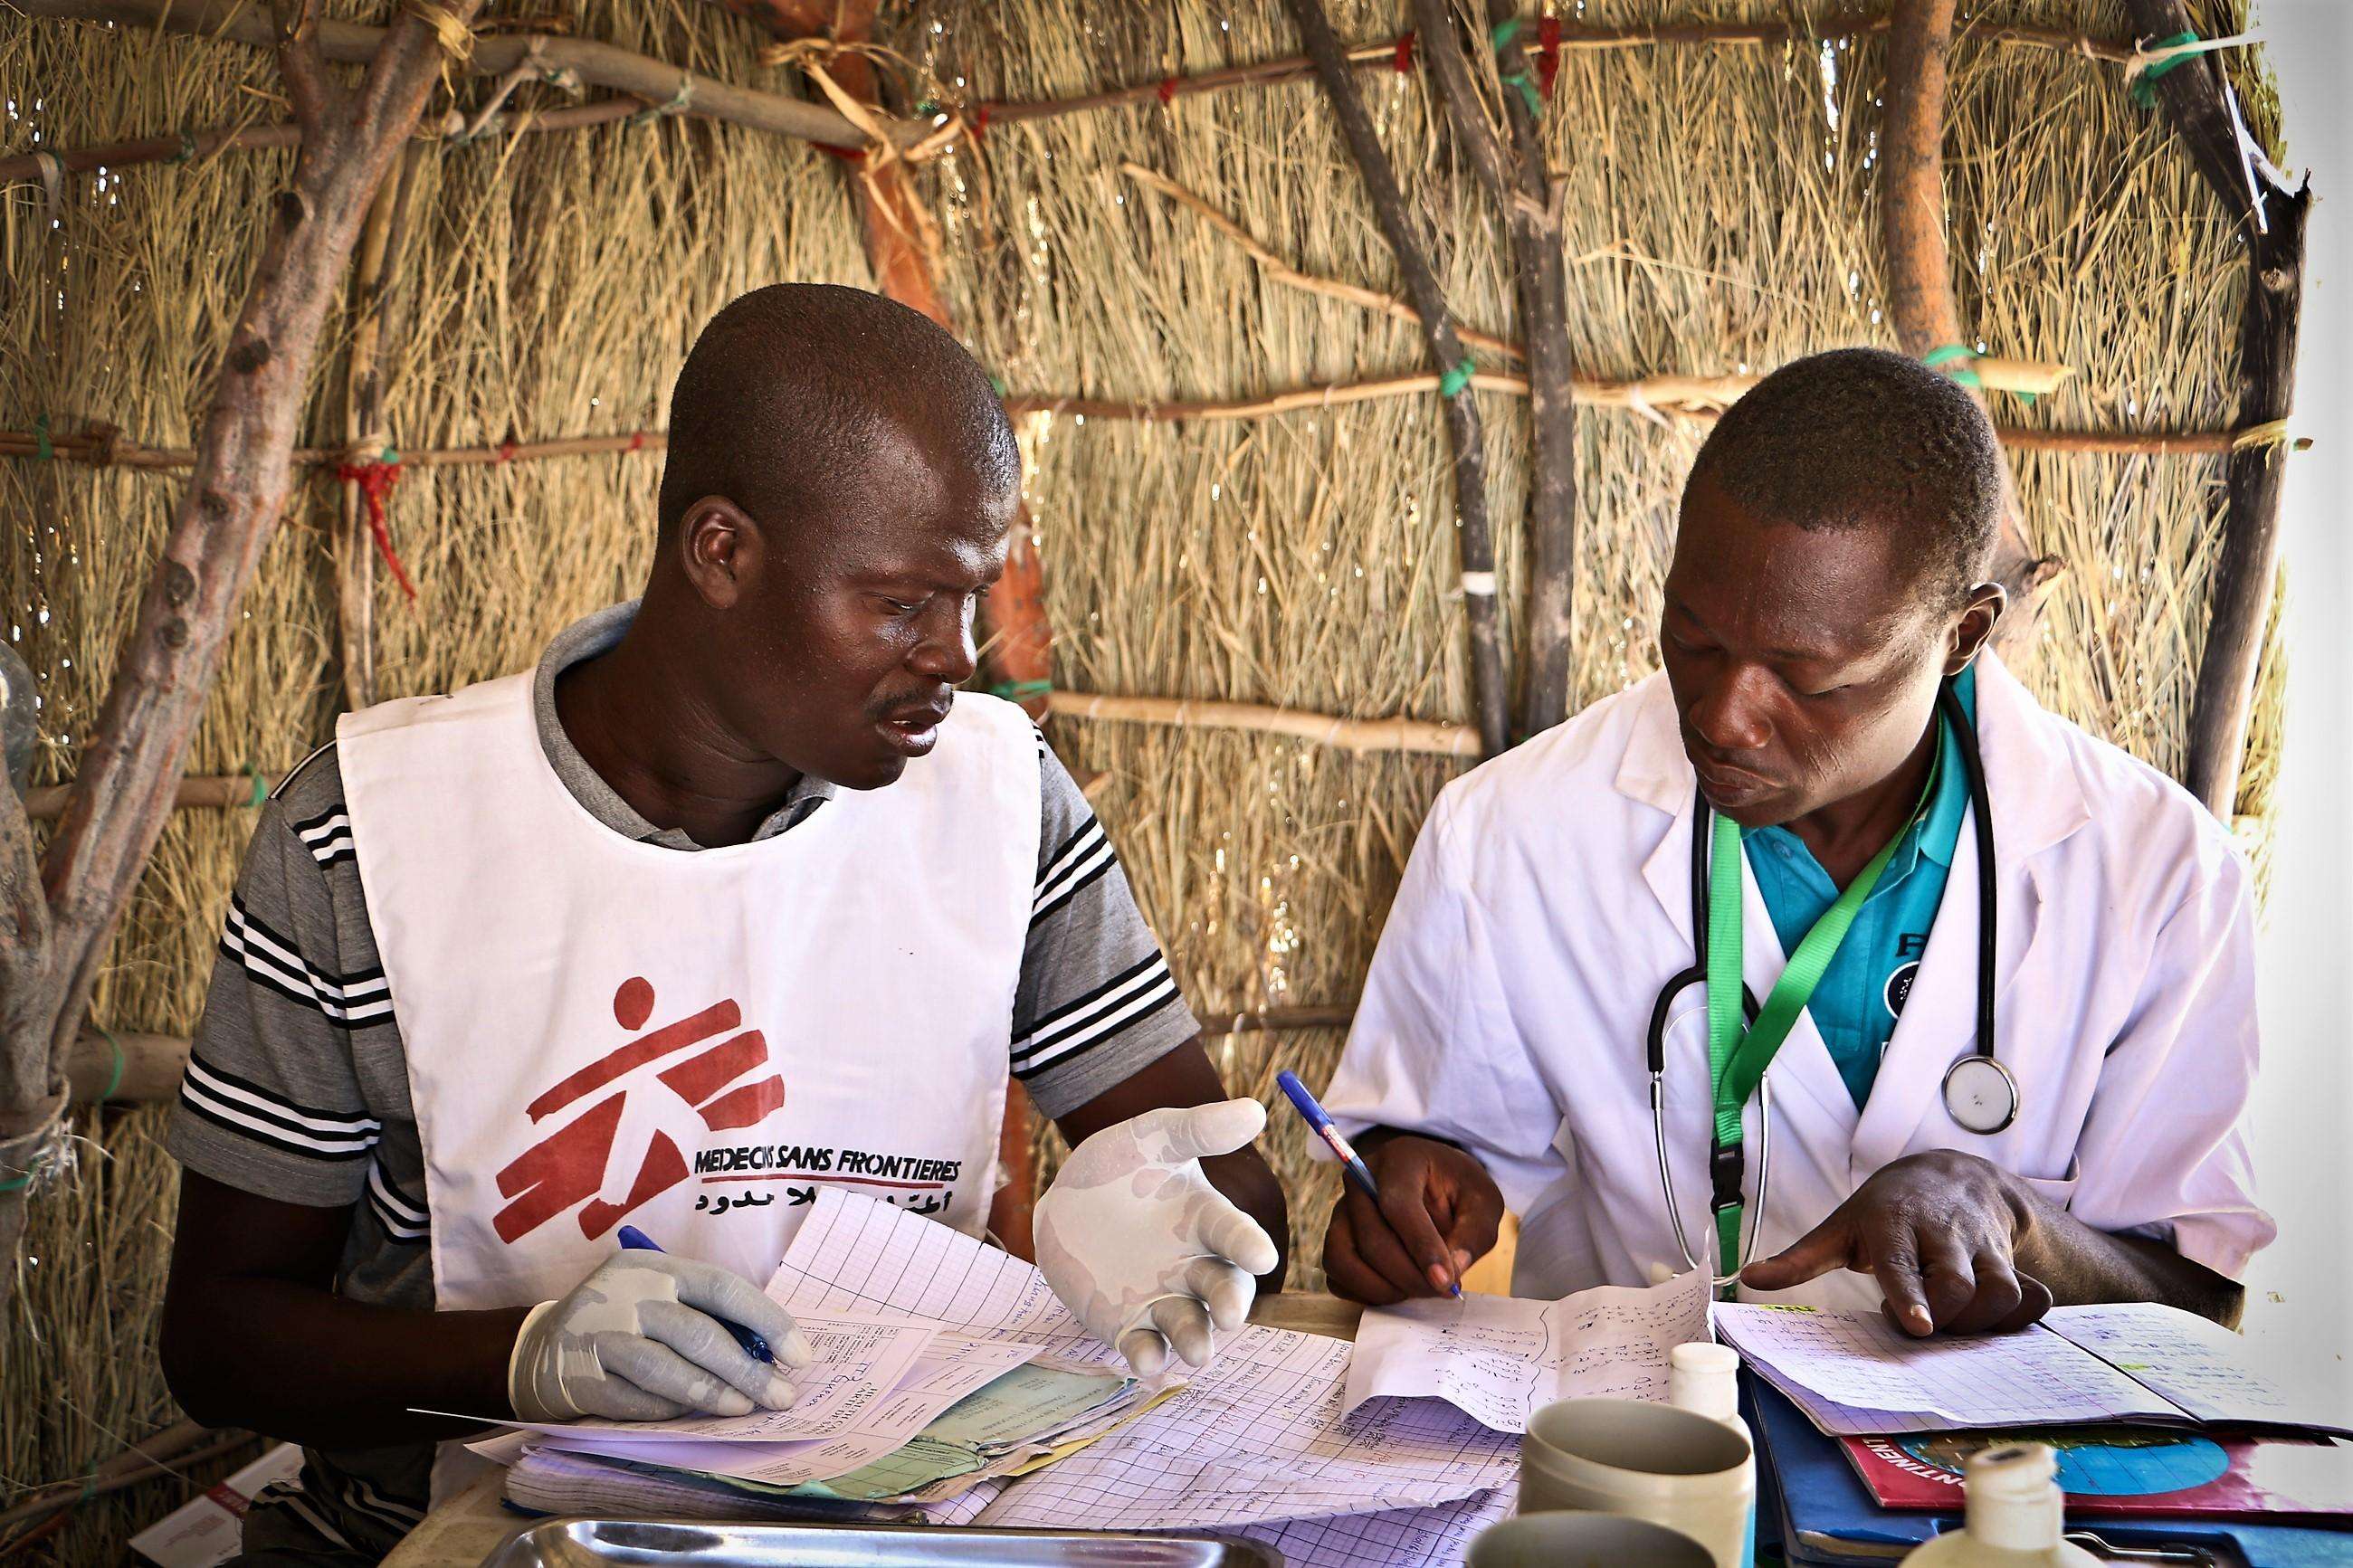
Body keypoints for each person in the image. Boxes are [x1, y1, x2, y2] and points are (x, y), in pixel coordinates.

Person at [158, 284, 1287, 1563]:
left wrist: (1147, 1211)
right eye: (904, 603)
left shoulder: (998, 804)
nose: (959, 655)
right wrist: (519, 1359)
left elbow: (1227, 1194)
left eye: (971, 598)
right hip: (452, 1540)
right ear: (721, 552)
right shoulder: (369, 837)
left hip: (886, 1538)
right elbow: (220, 1345)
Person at [1318, 348, 2269, 1336]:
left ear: (1961, 636)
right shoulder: (1509, 830)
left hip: (2002, 1474)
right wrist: (1407, 1185)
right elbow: (1431, 1151)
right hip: (1647, 1449)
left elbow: (2198, 1295)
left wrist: (2015, 1218)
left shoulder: (2156, 873)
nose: (1723, 718)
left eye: (1807, 679)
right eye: (1691, 637)